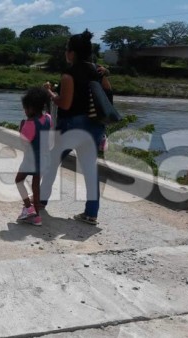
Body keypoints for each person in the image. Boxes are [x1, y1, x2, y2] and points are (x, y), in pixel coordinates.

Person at [39, 29, 112, 225]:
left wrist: (50, 93)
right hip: (95, 127)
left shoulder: (69, 74)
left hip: (72, 126)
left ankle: (40, 202)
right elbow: (107, 97)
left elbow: (65, 103)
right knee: (90, 169)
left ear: (72, 53)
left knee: (52, 163)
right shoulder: (100, 72)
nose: (65, 53)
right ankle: (91, 213)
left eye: (66, 49)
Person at [15, 87, 52, 226]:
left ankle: (28, 208)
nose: (24, 111)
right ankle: (36, 215)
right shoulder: (48, 118)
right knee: (36, 186)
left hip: (31, 159)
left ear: (31, 108)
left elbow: (24, 144)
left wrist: (21, 128)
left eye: (25, 108)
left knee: (19, 180)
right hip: (44, 158)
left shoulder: (29, 124)